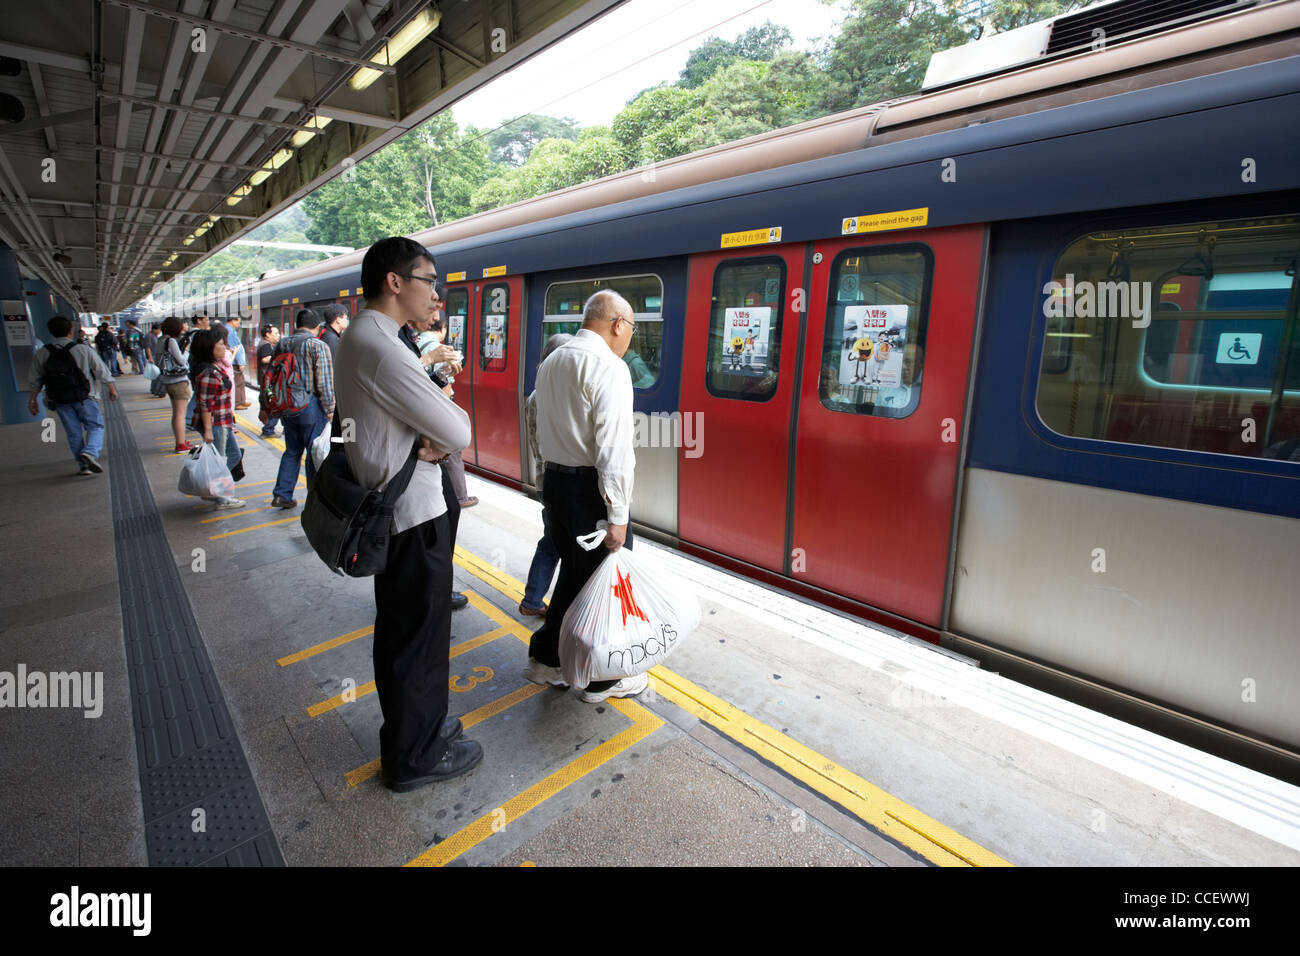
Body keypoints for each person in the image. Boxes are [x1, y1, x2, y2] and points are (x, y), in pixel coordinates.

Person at [334, 235, 479, 792]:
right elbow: (459, 430)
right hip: (412, 514)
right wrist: (435, 431)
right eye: (429, 281)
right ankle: (415, 757)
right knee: (418, 634)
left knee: (404, 629)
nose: (437, 295)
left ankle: (418, 729)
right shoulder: (385, 345)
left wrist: (426, 431)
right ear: (395, 282)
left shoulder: (369, 336)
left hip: (396, 509)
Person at [527, 290, 645, 703]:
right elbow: (614, 449)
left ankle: (547, 660)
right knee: (605, 585)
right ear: (617, 324)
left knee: (574, 578)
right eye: (632, 328)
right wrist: (617, 514)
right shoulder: (609, 367)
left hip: (557, 488)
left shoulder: (552, 362)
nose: (630, 337)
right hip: (590, 491)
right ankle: (602, 680)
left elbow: (541, 429)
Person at [397, 286, 471, 613]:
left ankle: (434, 589)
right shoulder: (392, 339)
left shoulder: (403, 336)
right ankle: (429, 593)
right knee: (431, 523)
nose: (437, 315)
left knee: (445, 514)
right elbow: (397, 381)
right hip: (406, 454)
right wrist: (430, 359)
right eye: (433, 305)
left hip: (419, 449)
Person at [519, 333, 573, 617]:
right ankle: (533, 600)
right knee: (556, 542)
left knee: (552, 539)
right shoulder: (557, 396)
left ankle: (533, 598)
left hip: (544, 479)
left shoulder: (537, 393)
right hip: (558, 482)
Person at [27, 315, 118, 476]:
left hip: (60, 399)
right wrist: (111, 388)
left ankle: (83, 466)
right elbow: (101, 371)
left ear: (51, 332)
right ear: (71, 331)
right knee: (95, 427)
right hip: (86, 397)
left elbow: (36, 379)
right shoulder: (83, 349)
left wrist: (33, 399)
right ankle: (90, 452)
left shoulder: (42, 353)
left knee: (73, 433)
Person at [270, 309, 334, 509]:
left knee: (292, 450)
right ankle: (315, 498)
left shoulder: (282, 343)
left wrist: (268, 407)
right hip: (310, 407)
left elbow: (271, 375)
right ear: (317, 326)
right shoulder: (317, 345)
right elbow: (324, 382)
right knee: (314, 453)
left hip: (287, 406)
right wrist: (330, 409)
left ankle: (282, 494)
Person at [190, 329, 245, 510]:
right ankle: (220, 496)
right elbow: (205, 403)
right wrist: (207, 430)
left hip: (223, 421)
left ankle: (216, 489)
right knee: (220, 460)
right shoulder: (208, 372)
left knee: (233, 455)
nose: (225, 347)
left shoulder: (213, 367)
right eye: (221, 344)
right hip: (216, 424)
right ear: (209, 348)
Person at [157, 316, 193, 452]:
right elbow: (181, 361)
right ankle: (180, 444)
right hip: (178, 381)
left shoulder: (159, 340)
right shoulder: (170, 340)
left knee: (176, 413)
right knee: (180, 414)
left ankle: (181, 440)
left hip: (167, 380)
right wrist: (187, 350)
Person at [256, 323, 281, 437]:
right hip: (269, 382)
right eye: (275, 333)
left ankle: (269, 428)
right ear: (267, 335)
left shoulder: (264, 343)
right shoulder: (266, 345)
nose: (278, 335)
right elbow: (265, 359)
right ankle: (268, 429)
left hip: (267, 381)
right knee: (274, 403)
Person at [226, 315, 251, 408]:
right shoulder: (230, 331)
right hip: (235, 362)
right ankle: (237, 403)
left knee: (240, 381)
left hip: (236, 361)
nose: (239, 324)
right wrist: (240, 362)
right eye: (238, 322)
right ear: (232, 321)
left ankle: (242, 400)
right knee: (237, 382)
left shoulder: (229, 330)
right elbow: (235, 348)